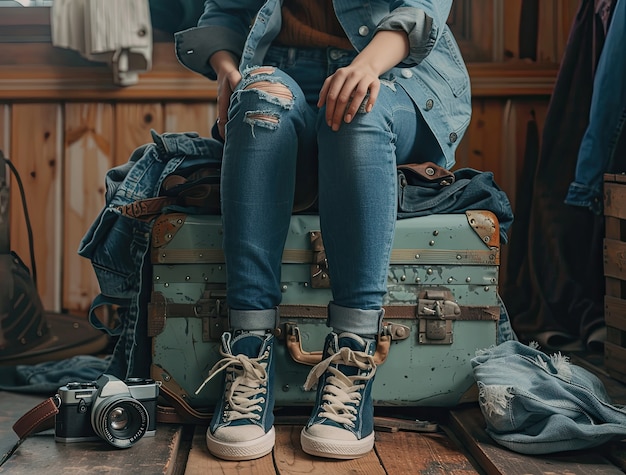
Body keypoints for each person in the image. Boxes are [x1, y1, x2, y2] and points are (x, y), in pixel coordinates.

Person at [174, 0, 471, 462]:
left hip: (396, 71)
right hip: (284, 67)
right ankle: (249, 355)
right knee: (259, 101)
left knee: (358, 109)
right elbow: (224, 12)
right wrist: (228, 72)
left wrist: (366, 66)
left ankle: (352, 355)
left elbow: (421, 8)